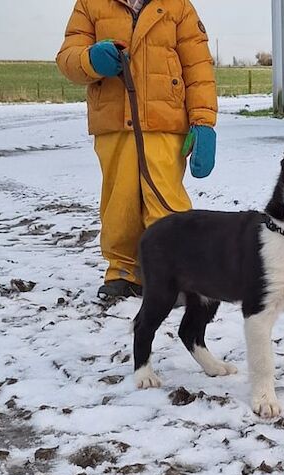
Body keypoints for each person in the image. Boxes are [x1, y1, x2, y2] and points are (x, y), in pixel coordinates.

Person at [56, 0, 218, 302]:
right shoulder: (89, 5)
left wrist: (204, 121)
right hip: (113, 123)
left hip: (165, 122)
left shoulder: (178, 6)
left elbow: (198, 67)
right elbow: (67, 58)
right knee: (120, 202)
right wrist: (91, 60)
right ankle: (123, 273)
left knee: (165, 198)